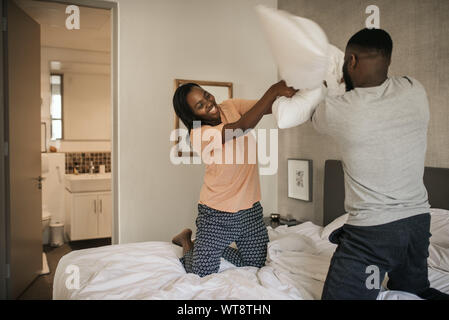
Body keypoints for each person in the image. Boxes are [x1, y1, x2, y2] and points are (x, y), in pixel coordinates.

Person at [307, 28, 449, 300]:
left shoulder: (341, 110)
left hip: (373, 235)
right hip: (417, 226)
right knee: (415, 291)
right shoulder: (414, 89)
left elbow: (314, 115)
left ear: (351, 61)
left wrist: (333, 83)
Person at [172, 80, 297, 277]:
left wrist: (296, 91)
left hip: (250, 210)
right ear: (192, 114)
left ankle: (205, 245)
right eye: (200, 105)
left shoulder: (229, 106)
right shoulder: (199, 134)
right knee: (201, 272)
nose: (208, 103)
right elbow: (241, 127)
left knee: (255, 264)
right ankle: (187, 240)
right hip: (217, 214)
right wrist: (273, 89)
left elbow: (266, 106)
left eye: (206, 95)